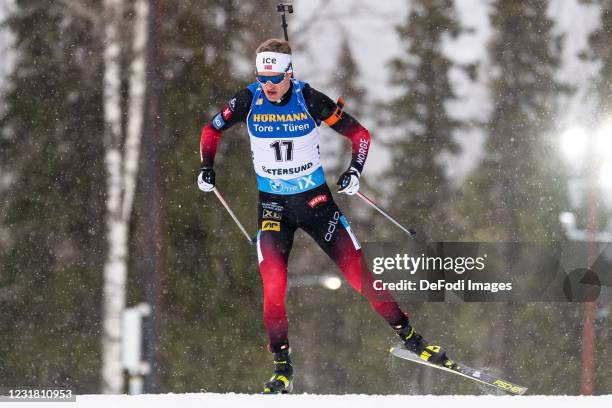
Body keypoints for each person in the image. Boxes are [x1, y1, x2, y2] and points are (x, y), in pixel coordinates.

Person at [197, 38, 454, 394]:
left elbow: (360, 134)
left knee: (358, 274)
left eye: (274, 78)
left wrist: (354, 171)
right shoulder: (247, 99)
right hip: (273, 207)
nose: (267, 86)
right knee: (273, 287)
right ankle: (282, 369)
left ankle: (412, 339)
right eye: (261, 77)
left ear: (289, 73)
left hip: (316, 203)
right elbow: (211, 129)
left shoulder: (309, 99)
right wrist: (207, 168)